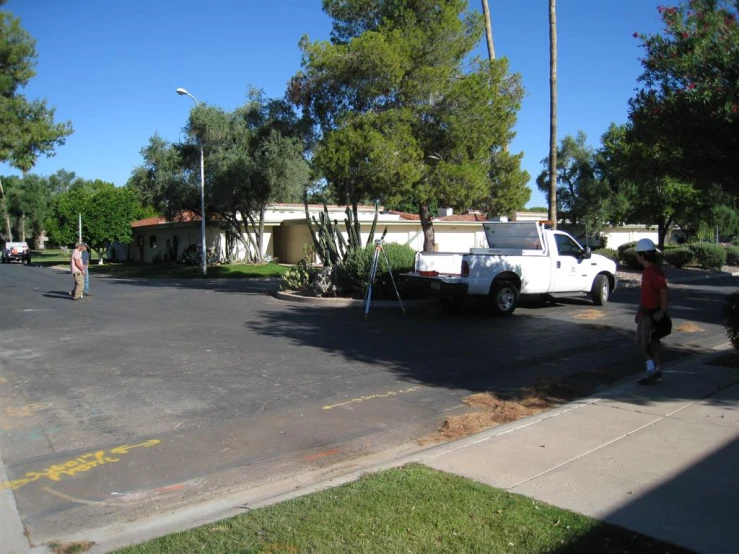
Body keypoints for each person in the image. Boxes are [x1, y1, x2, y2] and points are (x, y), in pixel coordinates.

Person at [634, 238, 668, 385]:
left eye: (637, 253)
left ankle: (653, 370)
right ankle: (655, 372)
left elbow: (663, 291)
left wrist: (662, 311)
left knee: (644, 344)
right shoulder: (647, 271)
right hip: (645, 313)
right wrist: (639, 311)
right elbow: (646, 295)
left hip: (652, 315)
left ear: (642, 255)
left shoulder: (654, 271)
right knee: (650, 343)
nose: (636, 256)